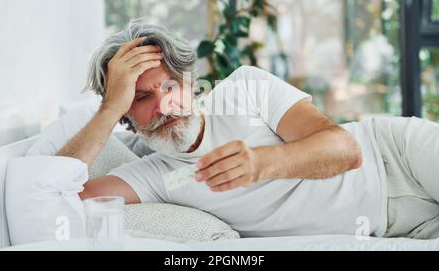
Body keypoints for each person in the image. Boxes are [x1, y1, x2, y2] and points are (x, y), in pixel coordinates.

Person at [57, 18, 439, 239]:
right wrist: (108, 109)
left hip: (396, 156)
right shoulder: (157, 178)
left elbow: (345, 149)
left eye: (170, 85)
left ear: (191, 83)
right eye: (139, 98)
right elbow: (59, 198)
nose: (164, 104)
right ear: (126, 115)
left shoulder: (245, 88)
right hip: (394, 228)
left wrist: (261, 163)